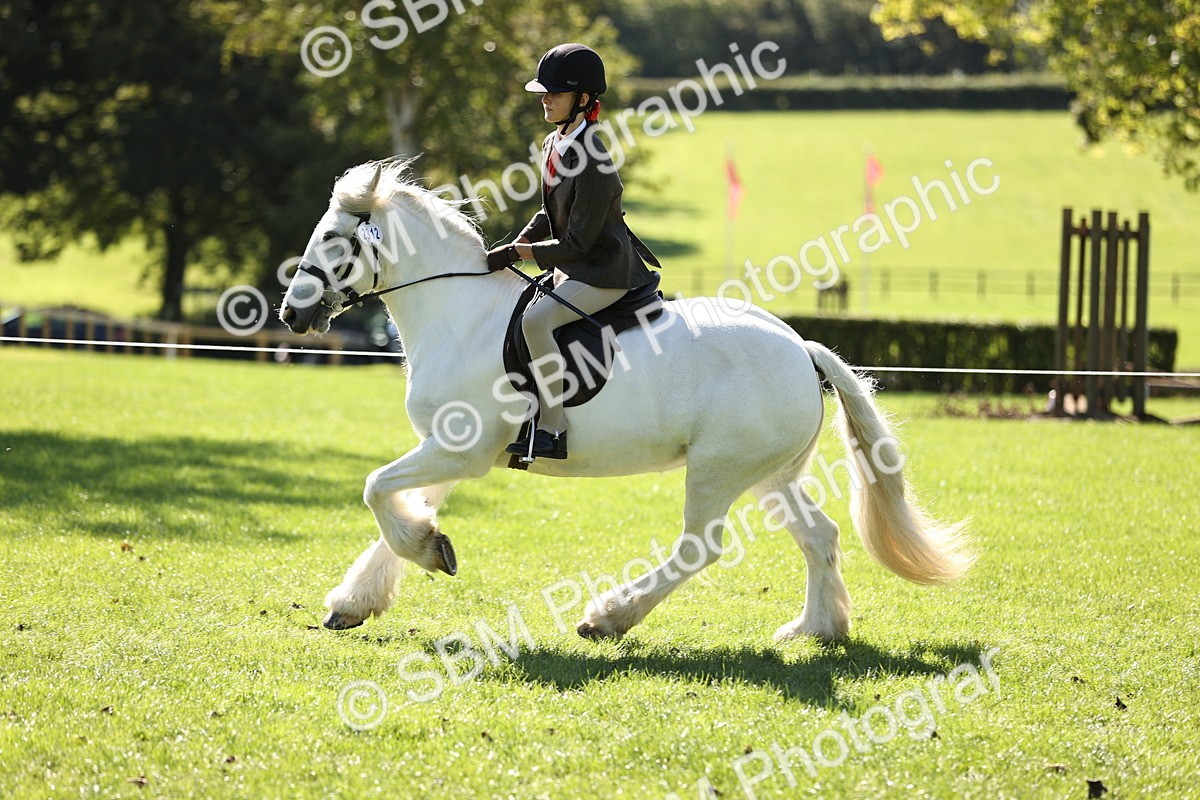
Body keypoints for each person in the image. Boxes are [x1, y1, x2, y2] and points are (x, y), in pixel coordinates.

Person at [486, 43, 659, 460]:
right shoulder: (554, 142)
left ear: (582, 100)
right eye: (543, 93)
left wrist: (520, 253)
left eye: (555, 93)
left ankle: (552, 428)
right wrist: (512, 247)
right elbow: (549, 213)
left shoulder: (594, 160)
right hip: (576, 266)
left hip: (604, 271)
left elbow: (578, 242)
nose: (545, 99)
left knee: (536, 320)